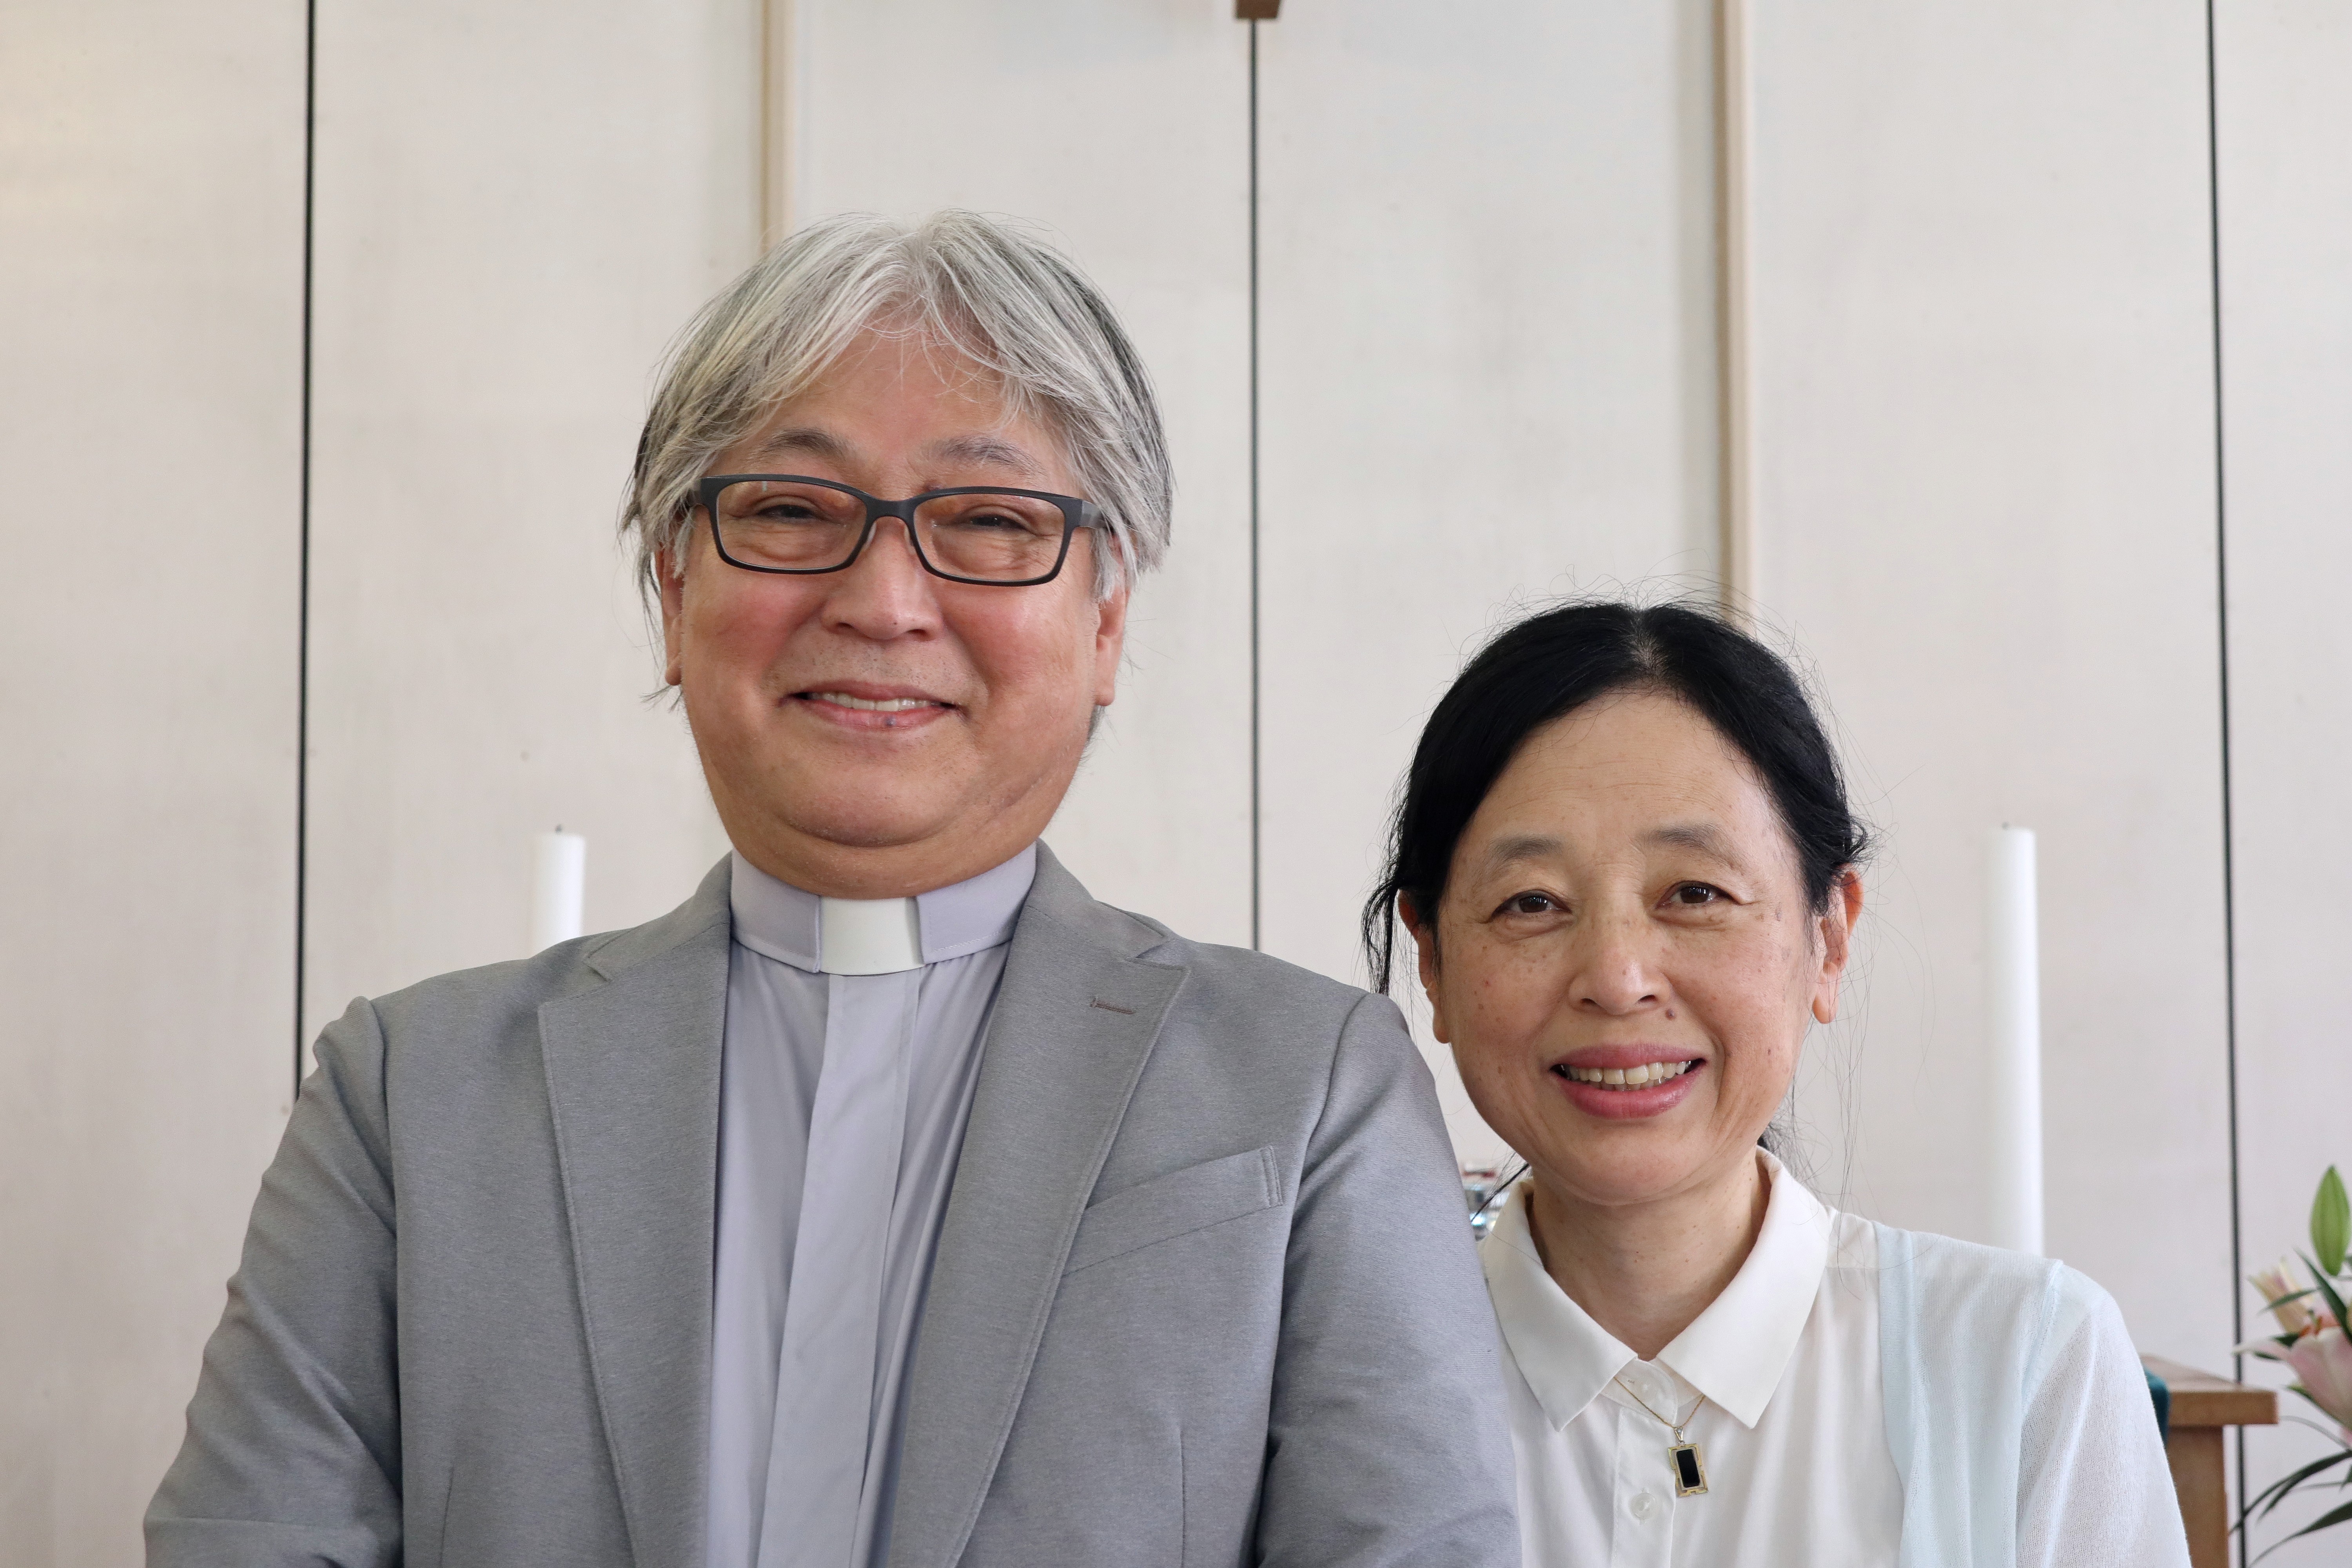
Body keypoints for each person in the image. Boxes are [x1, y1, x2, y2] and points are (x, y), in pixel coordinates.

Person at [148, 212, 1517, 1568]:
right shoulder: (410, 1096)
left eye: (990, 520)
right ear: (673, 590)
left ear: (1105, 621)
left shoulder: (1308, 1088)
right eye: (793, 511)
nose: (882, 599)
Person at [1365, 600, 2188, 1567]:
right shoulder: (1349, 1381)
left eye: (1695, 892)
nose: (1618, 977)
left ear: (1828, 938)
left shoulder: (2026, 1361)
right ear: (1432, 960)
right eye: (1532, 901)